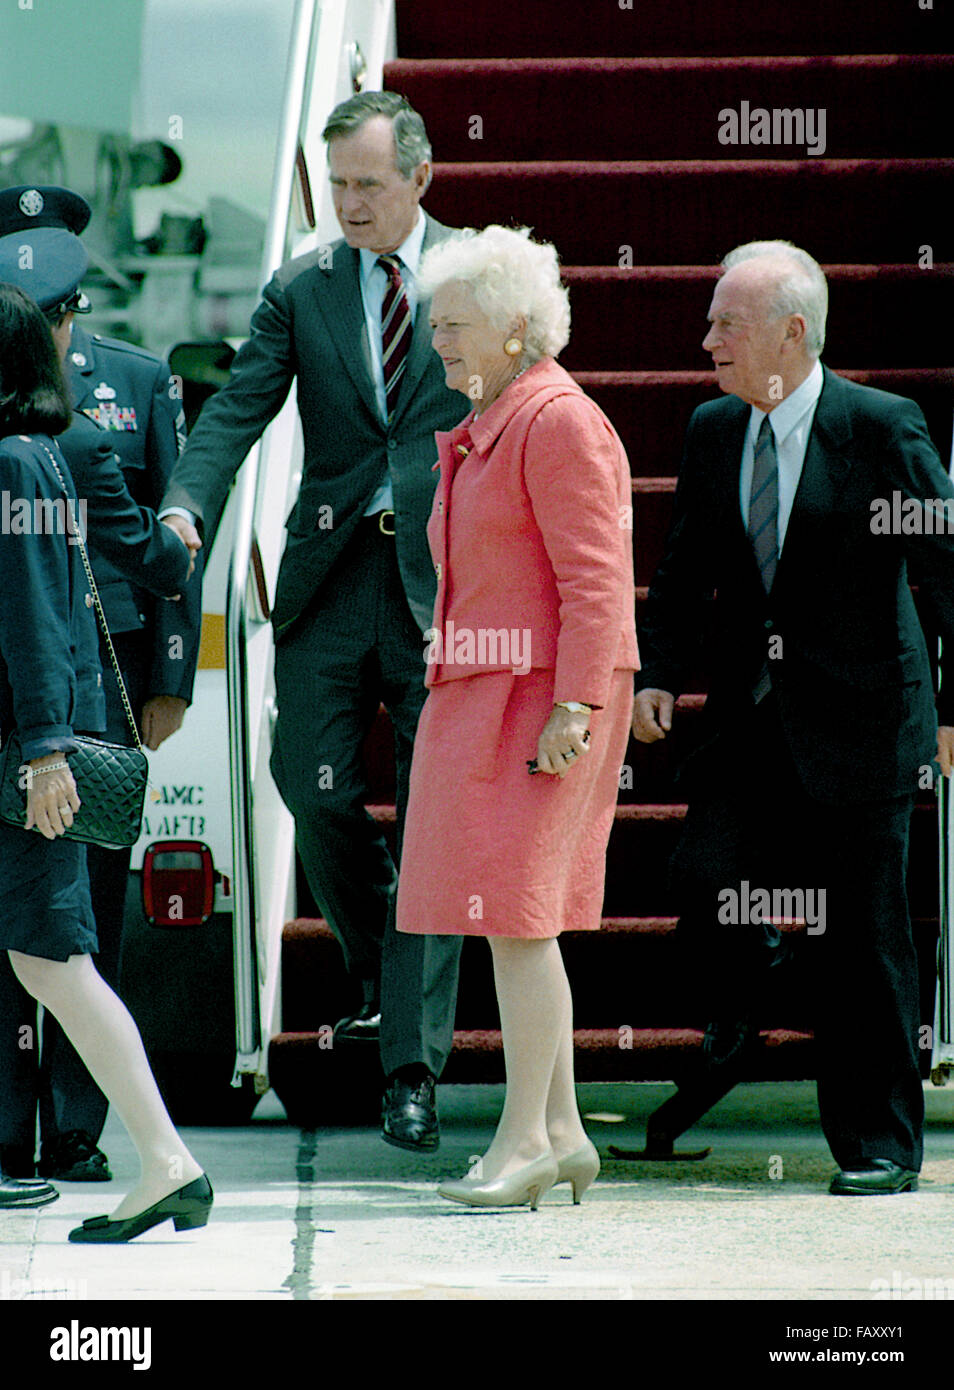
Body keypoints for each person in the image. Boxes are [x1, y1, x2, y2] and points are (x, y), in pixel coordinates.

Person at [160, 91, 466, 1150]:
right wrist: (187, 502)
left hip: (446, 586)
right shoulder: (304, 285)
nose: (349, 205)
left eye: (369, 186)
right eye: (335, 185)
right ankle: (387, 952)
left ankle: (411, 1069)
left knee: (435, 815)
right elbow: (239, 406)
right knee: (308, 780)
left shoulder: (482, 271)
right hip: (332, 584)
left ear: (421, 179)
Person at [632, 239, 954, 1195]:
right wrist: (659, 673)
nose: (707, 340)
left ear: (793, 332)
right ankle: (744, 995)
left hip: (866, 720)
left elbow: (945, 576)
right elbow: (685, 568)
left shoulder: (881, 426)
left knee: (866, 937)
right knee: (705, 877)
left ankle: (881, 1147)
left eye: (726, 324)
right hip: (750, 721)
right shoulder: (711, 429)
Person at [396, 225, 638, 1209]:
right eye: (437, 326)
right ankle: (566, 1134)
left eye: (454, 326)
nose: (440, 343)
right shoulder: (499, 416)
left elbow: (597, 579)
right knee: (512, 923)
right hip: (487, 697)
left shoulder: (555, 420)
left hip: (541, 706)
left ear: (511, 329)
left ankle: (524, 1141)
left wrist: (574, 705)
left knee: (521, 925)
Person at [0, 281, 211, 1239]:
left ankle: (167, 1161)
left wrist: (47, 750)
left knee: (58, 962)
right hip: (24, 753)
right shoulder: (27, 460)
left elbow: (40, 616)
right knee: (50, 961)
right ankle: (167, 1161)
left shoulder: (18, 464)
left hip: (29, 760)